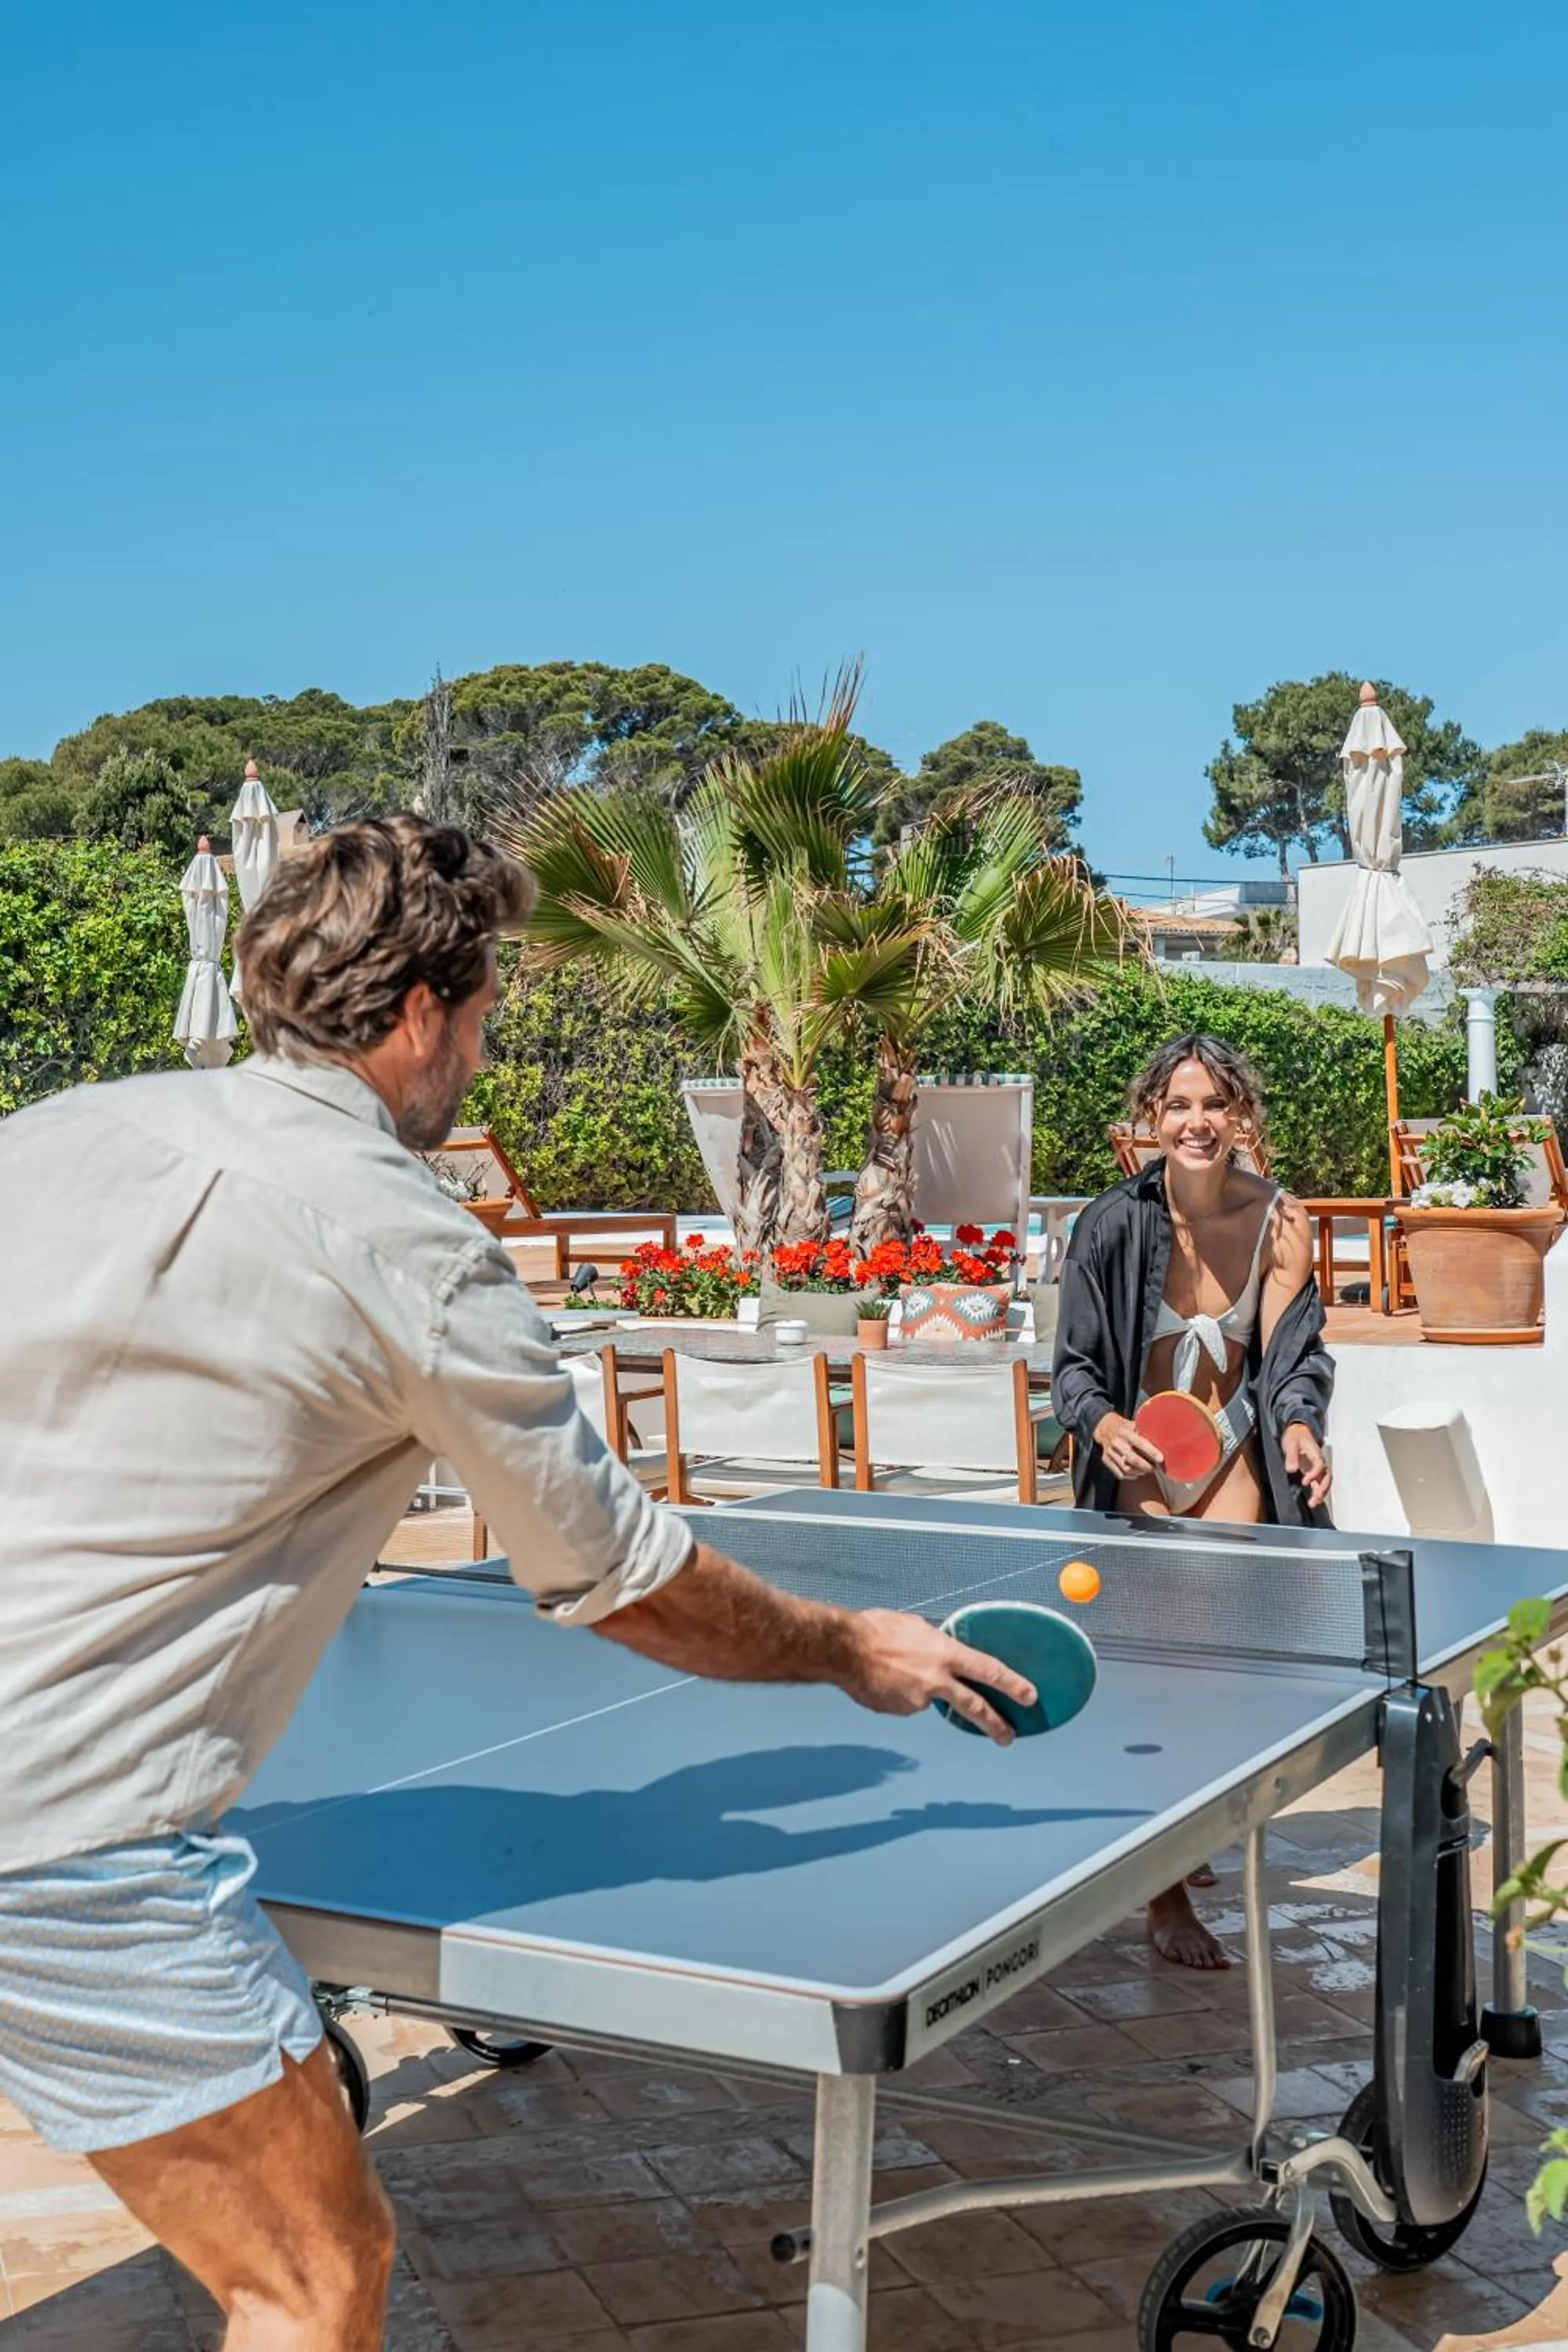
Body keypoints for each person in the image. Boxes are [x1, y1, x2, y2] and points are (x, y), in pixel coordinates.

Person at [0, 815, 1034, 2352]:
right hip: (61, 1832)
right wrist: (846, 1650)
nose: (483, 1054)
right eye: (484, 1015)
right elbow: (625, 1579)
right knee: (311, 2278)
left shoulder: (58, 1132)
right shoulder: (409, 1244)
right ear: (423, 1010)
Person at [1051, 1033, 1334, 1968]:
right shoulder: (1108, 1225)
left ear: (1240, 1116)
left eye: (1214, 1103)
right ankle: (1164, 1896)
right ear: (1150, 1119)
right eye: (1177, 1105)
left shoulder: (1281, 1222)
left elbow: (1292, 1361)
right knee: (1157, 1683)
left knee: (1219, 1682)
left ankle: (1185, 1827)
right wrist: (1100, 1425)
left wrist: (1299, 1428)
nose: (1196, 1121)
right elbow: (1073, 1368)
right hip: (1138, 1473)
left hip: (1233, 1466)